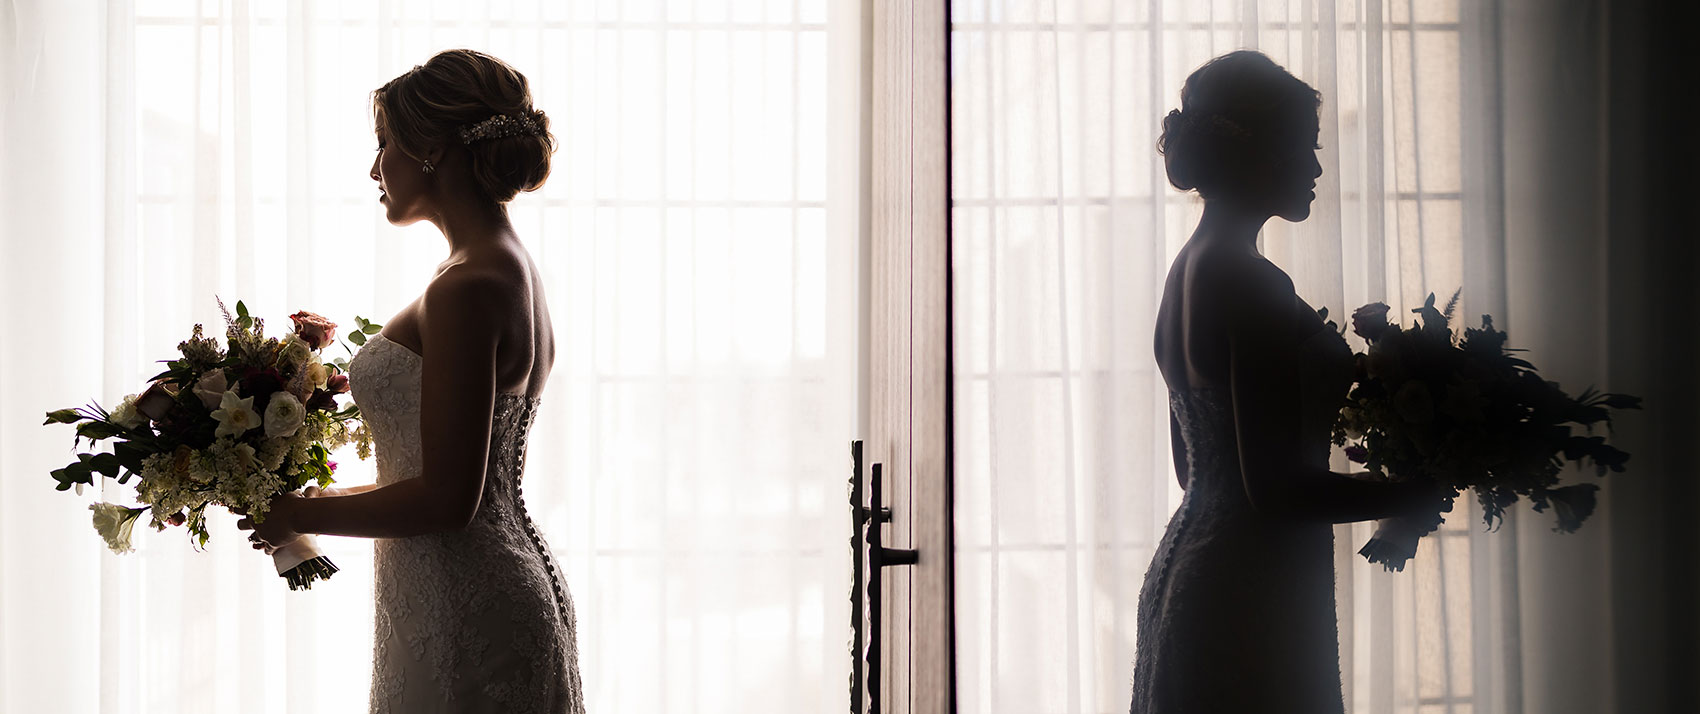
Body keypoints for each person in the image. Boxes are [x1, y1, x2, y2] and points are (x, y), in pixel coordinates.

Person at [238, 49, 583, 714]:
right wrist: (310, 496)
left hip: (466, 603)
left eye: (385, 143)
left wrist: (297, 513)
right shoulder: (502, 269)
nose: (375, 167)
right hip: (460, 586)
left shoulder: (470, 284)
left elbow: (449, 499)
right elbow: (439, 476)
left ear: (432, 150)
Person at [1130, 50, 1439, 713]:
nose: (1318, 168)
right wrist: (1414, 491)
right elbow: (1275, 493)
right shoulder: (1250, 281)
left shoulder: (1188, 269)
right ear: (1259, 151)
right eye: (1307, 145)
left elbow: (1195, 470)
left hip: (1194, 568)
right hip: (1251, 584)